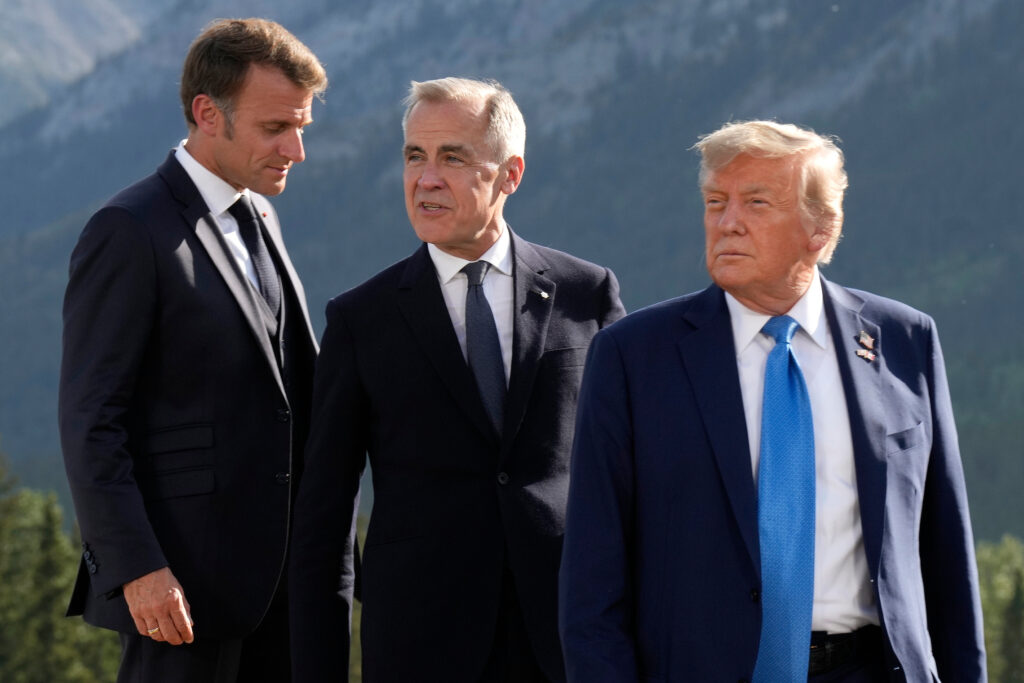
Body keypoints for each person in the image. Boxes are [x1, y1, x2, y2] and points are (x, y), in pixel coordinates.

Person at [559, 120, 986, 682]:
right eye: (716, 202)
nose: (727, 222)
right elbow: (591, 582)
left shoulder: (904, 341)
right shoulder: (633, 356)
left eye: (756, 203)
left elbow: (946, 552)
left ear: (820, 229)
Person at [288, 77, 625, 682]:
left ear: (510, 174)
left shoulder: (587, 293)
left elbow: (633, 472)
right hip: (420, 646)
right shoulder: (361, 319)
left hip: (567, 638)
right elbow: (324, 518)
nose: (426, 179)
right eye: (414, 156)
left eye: (452, 157)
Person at [58, 18, 327, 682]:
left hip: (281, 592)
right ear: (208, 114)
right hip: (178, 597)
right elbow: (92, 420)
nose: (296, 149)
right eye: (276, 127)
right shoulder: (128, 229)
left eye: (301, 127)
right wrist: (137, 568)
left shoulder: (261, 215)